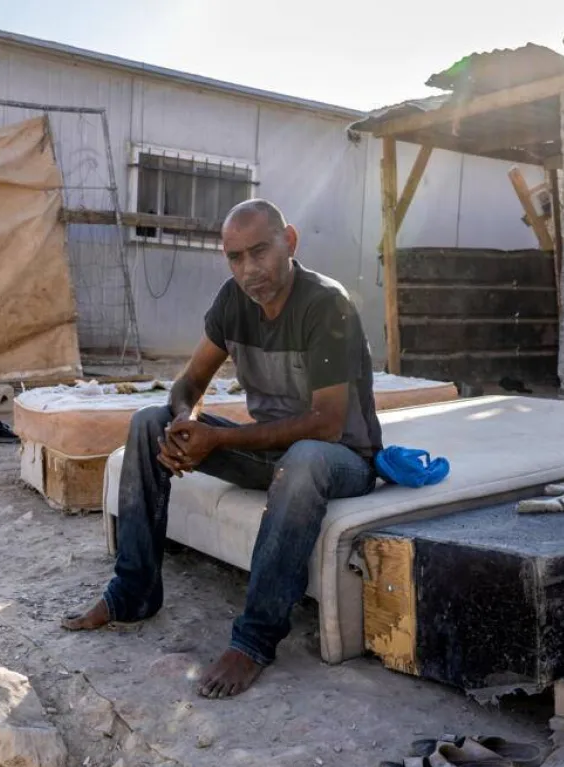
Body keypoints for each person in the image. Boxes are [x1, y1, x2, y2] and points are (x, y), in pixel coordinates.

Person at [62, 198, 383, 699]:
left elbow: (325, 425)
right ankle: (132, 593)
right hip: (271, 453)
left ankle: (255, 640)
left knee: (302, 460)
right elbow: (188, 383)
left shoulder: (327, 304)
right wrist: (183, 423)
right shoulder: (233, 302)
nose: (250, 270)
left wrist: (223, 438)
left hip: (339, 457)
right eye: (236, 258)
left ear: (290, 242)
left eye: (260, 252)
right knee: (149, 422)